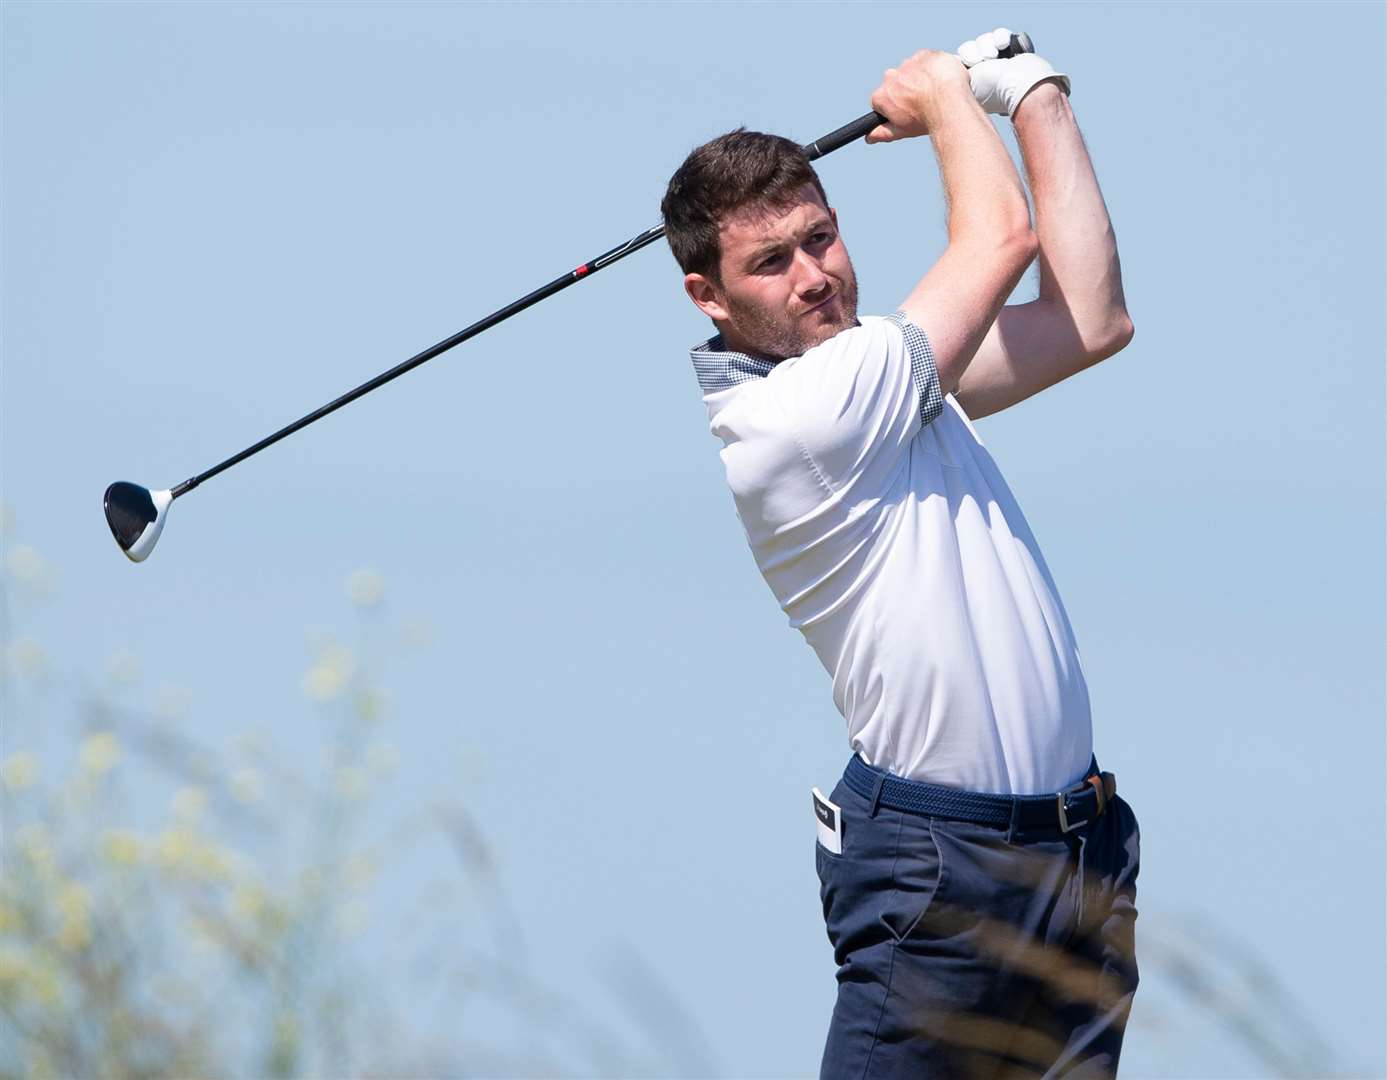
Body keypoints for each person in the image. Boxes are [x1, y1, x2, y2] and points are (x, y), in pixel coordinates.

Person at [660, 29, 1139, 1079]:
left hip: (1077, 854)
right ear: (708, 297)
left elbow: (1091, 319)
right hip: (942, 864)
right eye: (769, 261)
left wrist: (1033, 96)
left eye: (819, 238)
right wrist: (942, 99)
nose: (812, 277)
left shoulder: (886, 381)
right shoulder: (801, 417)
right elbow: (1000, 233)